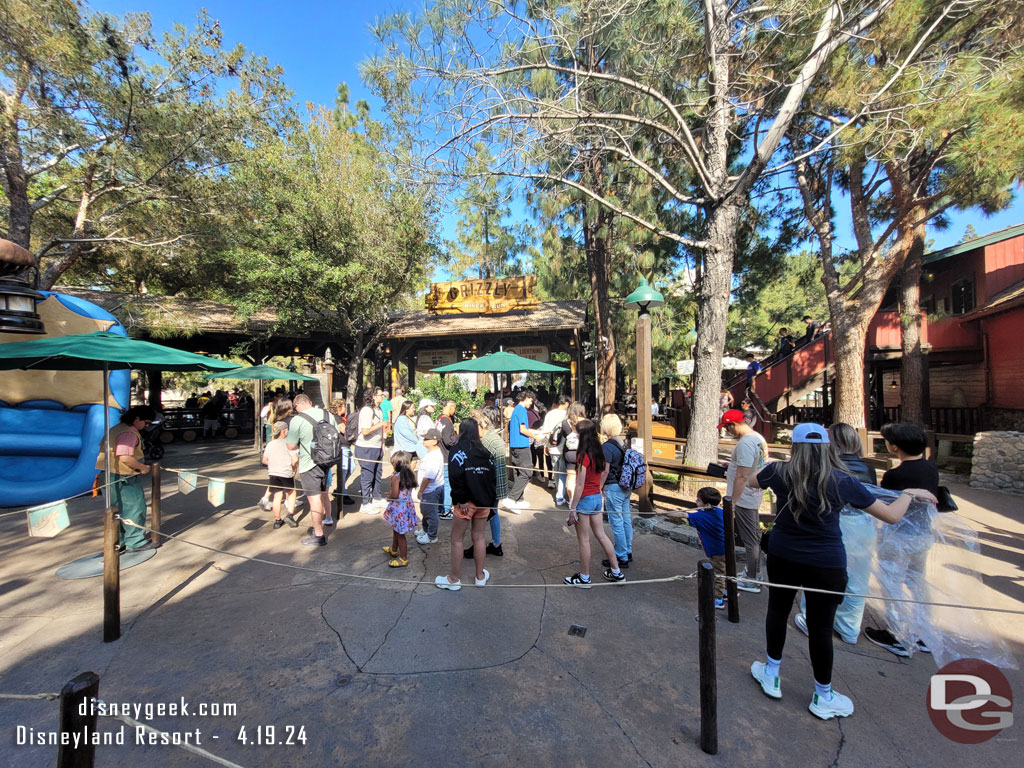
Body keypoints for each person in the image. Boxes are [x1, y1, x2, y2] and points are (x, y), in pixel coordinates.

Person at [745, 423, 937, 720]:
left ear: (794, 447)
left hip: (784, 554)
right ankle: (823, 694)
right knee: (821, 627)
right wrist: (909, 494)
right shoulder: (843, 481)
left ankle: (771, 672)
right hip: (826, 561)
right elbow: (891, 515)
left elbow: (752, 483)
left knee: (778, 611)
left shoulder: (779, 472)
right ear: (827, 447)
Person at [794, 423, 876, 644]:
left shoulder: (828, 469)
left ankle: (812, 619)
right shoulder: (867, 469)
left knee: (819, 573)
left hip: (833, 522)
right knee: (857, 578)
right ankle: (849, 627)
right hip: (862, 525)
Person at [864, 422, 940, 657]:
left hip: (898, 535)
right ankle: (922, 632)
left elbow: (886, 505)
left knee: (892, 582)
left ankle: (896, 634)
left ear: (894, 447)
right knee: (917, 581)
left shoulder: (896, 475)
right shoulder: (930, 469)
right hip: (922, 534)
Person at [435, 419, 498, 591]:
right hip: (484, 502)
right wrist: (491, 502)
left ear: (461, 431)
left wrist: (460, 499)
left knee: (457, 539)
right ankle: (479, 576)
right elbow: (492, 479)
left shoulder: (457, 451)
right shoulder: (485, 452)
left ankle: (453, 579)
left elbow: (455, 477)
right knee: (479, 537)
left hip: (466, 504)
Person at [563, 419, 625, 587]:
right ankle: (616, 571)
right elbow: (604, 471)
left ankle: (584, 577)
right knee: (601, 535)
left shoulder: (583, 455)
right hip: (597, 497)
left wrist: (573, 507)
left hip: (585, 498)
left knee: (583, 540)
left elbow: (580, 484)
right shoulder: (599, 451)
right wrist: (598, 488)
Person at [97, 405, 156, 553]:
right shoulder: (128, 433)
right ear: (137, 419)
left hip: (107, 474)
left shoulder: (117, 428)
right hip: (123, 477)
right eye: (146, 422)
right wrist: (142, 467)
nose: (146, 426)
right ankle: (135, 542)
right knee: (134, 508)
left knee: (116, 510)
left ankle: (119, 542)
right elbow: (125, 457)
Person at [720, 408, 768, 592]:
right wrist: (731, 464)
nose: (727, 431)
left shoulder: (745, 444)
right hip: (753, 494)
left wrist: (733, 501)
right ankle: (752, 570)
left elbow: (742, 476)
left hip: (744, 497)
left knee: (750, 538)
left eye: (727, 427)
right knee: (753, 534)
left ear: (734, 424)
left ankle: (751, 577)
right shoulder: (758, 439)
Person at [287, 394, 336, 547]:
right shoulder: (328, 414)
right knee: (323, 494)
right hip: (327, 461)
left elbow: (291, 445)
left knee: (314, 499)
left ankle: (319, 534)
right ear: (310, 402)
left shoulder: (297, 420)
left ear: (297, 406)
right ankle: (318, 526)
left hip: (310, 463)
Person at [464, 407, 507, 558]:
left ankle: (478, 545)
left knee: (479, 516)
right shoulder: (493, 437)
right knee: (493, 514)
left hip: (490, 486)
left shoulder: (486, 441)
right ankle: (496, 543)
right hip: (498, 485)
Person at [600, 413, 633, 570]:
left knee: (616, 521)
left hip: (613, 486)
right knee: (626, 518)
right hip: (626, 485)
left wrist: (599, 487)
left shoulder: (607, 447)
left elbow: (605, 471)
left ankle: (620, 555)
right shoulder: (624, 444)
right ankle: (628, 549)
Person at [689, 487, 727, 609]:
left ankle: (718, 599)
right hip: (721, 548)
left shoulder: (702, 517)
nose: (696, 502)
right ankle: (724, 591)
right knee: (721, 572)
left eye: (699, 500)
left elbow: (683, 515)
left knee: (718, 574)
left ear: (707, 504)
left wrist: (662, 513)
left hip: (717, 551)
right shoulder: (719, 512)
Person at [503, 390, 539, 513]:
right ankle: (512, 498)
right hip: (522, 445)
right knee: (527, 472)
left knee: (519, 472)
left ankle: (519, 498)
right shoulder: (522, 410)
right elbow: (523, 429)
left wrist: (534, 433)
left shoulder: (516, 410)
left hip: (515, 445)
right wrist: (535, 436)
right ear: (527, 398)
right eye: (531, 400)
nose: (531, 403)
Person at [355, 387, 389, 514]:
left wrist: (382, 445)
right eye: (381, 395)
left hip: (377, 446)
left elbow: (380, 431)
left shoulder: (379, 410)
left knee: (377, 473)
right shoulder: (367, 411)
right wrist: (381, 424)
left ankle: (376, 497)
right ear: (373, 396)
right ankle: (365, 503)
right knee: (368, 475)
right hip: (366, 447)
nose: (383, 397)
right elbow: (365, 431)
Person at [382, 451, 419, 568]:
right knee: (396, 530)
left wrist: (389, 496)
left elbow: (395, 495)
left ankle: (403, 558)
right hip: (406, 507)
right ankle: (393, 549)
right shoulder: (409, 476)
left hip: (398, 509)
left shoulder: (395, 477)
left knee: (400, 534)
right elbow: (403, 492)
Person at [262, 420, 298, 529]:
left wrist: (274, 464)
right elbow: (295, 459)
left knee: (277, 496)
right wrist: (292, 466)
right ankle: (290, 515)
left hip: (273, 472)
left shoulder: (270, 444)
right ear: (284, 431)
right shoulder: (289, 443)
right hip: (286, 472)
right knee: (291, 493)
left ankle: (277, 520)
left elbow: (264, 460)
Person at [415, 428, 444, 545]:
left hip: (431, 489)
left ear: (434, 441)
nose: (424, 440)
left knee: (430, 513)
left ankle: (432, 536)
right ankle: (426, 530)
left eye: (427, 438)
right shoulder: (431, 453)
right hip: (429, 489)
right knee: (425, 510)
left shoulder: (434, 456)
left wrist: (421, 490)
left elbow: (428, 476)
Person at [329, 399, 355, 507]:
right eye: (343, 406)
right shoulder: (336, 418)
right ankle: (342, 492)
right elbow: (343, 430)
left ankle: (340, 487)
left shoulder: (341, 417)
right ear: (338, 407)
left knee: (351, 467)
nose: (345, 408)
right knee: (343, 469)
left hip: (346, 446)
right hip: (342, 446)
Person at [542, 395, 570, 492]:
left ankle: (559, 492)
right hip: (566, 447)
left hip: (553, 446)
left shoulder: (550, 414)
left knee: (556, 471)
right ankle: (561, 494)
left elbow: (545, 431)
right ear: (566, 403)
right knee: (563, 471)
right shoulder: (567, 415)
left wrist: (545, 445)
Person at [437, 399, 459, 520]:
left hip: (441, 455)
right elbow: (448, 441)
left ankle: (441, 508)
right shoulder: (446, 420)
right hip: (445, 456)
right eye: (454, 408)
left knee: (442, 483)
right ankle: (445, 510)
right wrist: (458, 436)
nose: (454, 411)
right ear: (451, 407)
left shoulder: (440, 418)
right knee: (447, 484)